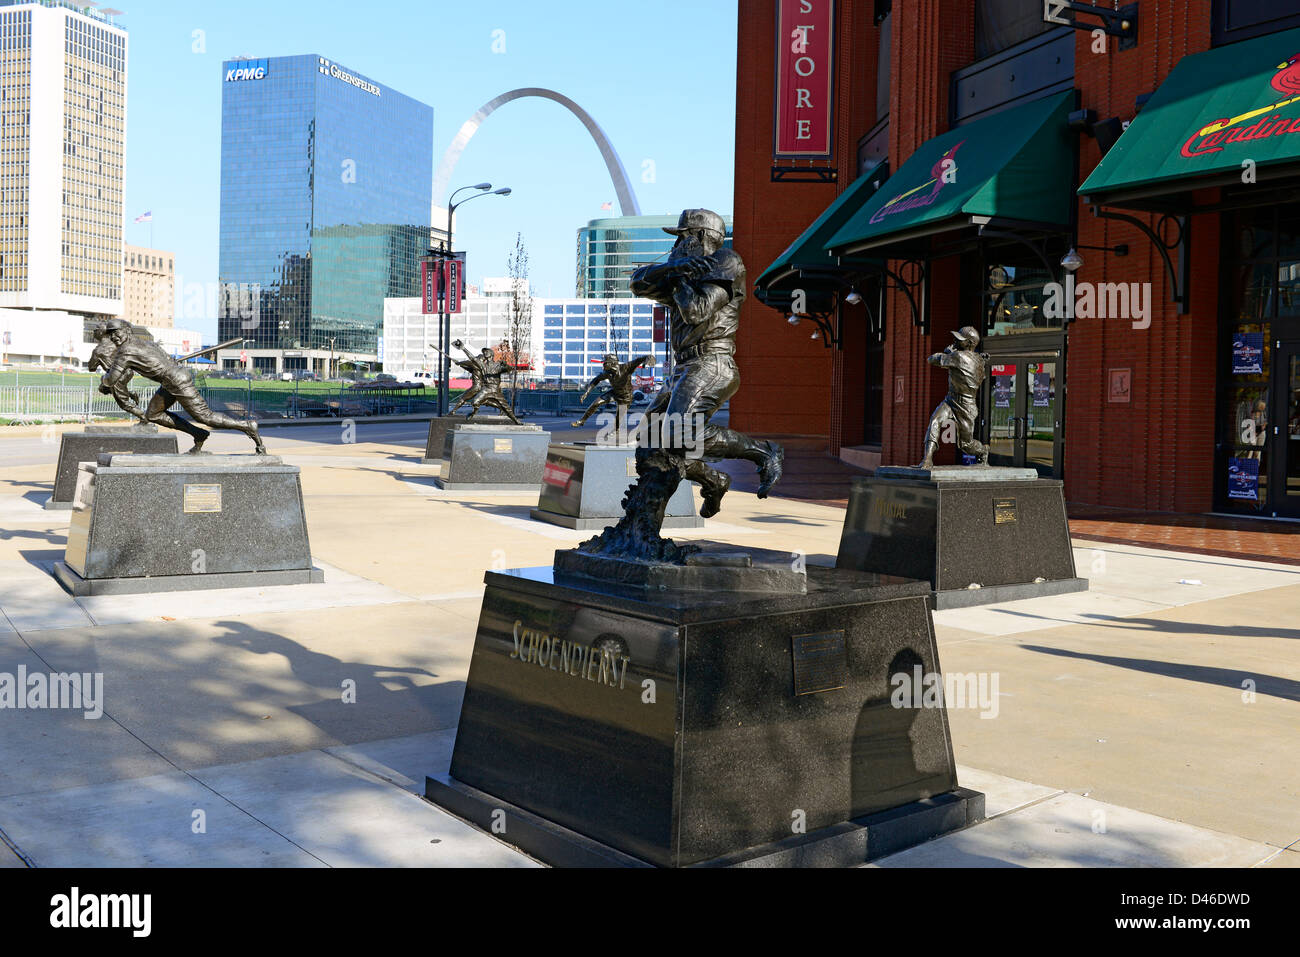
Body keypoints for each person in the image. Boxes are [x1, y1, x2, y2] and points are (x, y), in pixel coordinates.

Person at [629, 208, 783, 518]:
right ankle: (713, 480)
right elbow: (637, 283)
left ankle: (764, 452)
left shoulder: (726, 261)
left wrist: (677, 277)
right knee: (649, 442)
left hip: (712, 362)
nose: (676, 245)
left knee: (677, 433)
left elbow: (696, 310)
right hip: (682, 368)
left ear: (700, 236)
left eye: (682, 237)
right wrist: (674, 268)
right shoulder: (683, 268)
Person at [98, 319, 264, 454]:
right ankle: (199, 434)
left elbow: (111, 379)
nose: (113, 337)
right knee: (153, 414)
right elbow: (169, 360)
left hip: (176, 380)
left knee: (205, 416)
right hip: (170, 380)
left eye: (116, 332)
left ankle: (247, 426)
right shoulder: (147, 343)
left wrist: (103, 382)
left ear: (127, 330)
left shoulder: (125, 351)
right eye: (110, 334)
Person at [917, 326, 989, 469]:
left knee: (965, 444)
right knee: (935, 421)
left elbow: (931, 359)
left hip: (966, 406)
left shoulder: (958, 356)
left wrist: (948, 353)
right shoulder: (978, 360)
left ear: (969, 343)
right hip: (951, 400)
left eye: (960, 339)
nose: (955, 341)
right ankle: (927, 459)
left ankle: (983, 450)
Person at [572, 353, 654, 430]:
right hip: (614, 392)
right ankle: (582, 421)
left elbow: (640, 359)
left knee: (618, 419)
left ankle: (615, 430)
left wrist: (648, 359)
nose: (603, 365)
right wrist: (586, 393)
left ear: (612, 363)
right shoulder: (607, 373)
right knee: (596, 403)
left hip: (626, 397)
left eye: (605, 363)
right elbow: (595, 380)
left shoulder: (626, 367)